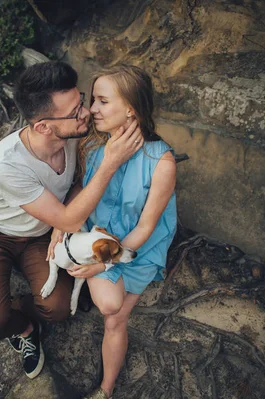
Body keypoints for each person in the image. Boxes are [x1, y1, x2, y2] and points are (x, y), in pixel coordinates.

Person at [0, 61, 143, 379]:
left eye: (81, 100)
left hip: (43, 235)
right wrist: (110, 163)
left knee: (59, 309)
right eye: (75, 111)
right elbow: (68, 215)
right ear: (43, 127)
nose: (86, 113)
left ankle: (26, 304)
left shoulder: (74, 133)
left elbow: (77, 185)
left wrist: (60, 224)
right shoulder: (6, 164)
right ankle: (23, 328)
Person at [67, 65, 178, 398]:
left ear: (131, 108)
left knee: (113, 316)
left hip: (140, 247)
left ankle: (105, 391)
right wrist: (64, 227)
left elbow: (146, 226)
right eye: (92, 100)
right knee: (111, 304)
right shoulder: (93, 150)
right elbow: (79, 194)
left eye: (102, 101)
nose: (91, 110)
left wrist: (102, 265)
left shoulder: (162, 162)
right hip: (100, 239)